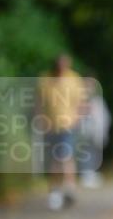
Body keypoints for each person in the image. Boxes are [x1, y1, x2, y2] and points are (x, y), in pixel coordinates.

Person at [37, 55, 86, 210]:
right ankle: (57, 190)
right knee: (55, 158)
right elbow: (39, 103)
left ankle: (68, 188)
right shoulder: (44, 80)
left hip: (68, 125)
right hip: (51, 125)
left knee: (64, 155)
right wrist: (41, 119)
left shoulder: (74, 79)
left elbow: (81, 102)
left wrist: (77, 119)